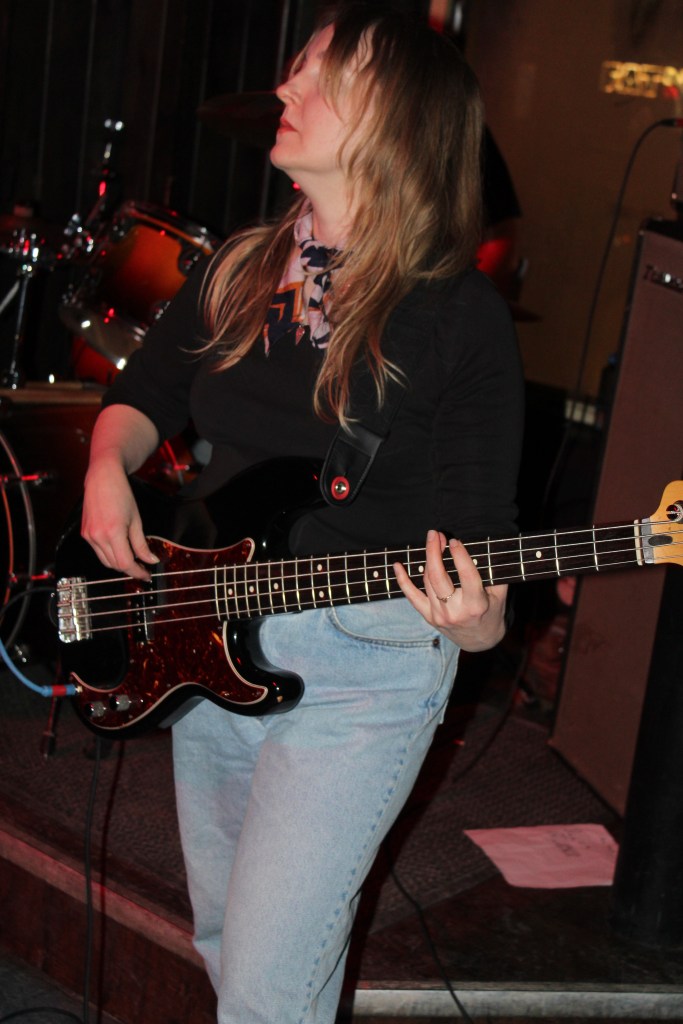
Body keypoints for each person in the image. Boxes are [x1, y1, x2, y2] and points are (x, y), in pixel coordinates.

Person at [80, 3, 524, 1021]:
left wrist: (478, 621)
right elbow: (144, 395)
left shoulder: (457, 316)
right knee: (228, 942)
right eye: (294, 68)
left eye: (322, 76)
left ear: (395, 121)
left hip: (363, 664)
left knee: (267, 984)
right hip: (211, 629)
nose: (285, 88)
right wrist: (108, 463)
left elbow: (482, 542)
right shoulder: (241, 266)